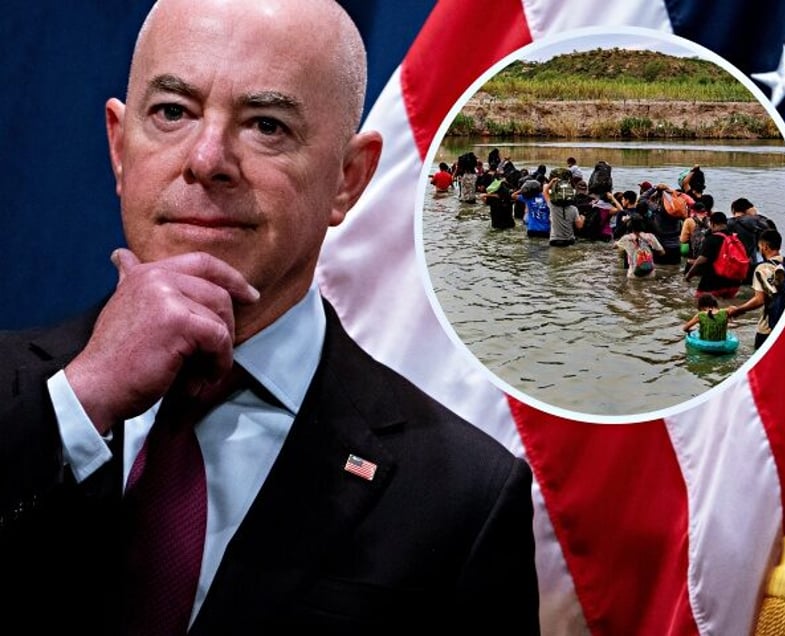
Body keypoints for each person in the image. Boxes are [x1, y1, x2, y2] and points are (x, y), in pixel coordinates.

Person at [0, 2, 540, 635]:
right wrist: (75, 406)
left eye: (266, 125)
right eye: (173, 112)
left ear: (348, 178)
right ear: (120, 146)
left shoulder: (461, 494)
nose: (207, 159)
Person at [727, 229, 785, 350]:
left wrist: (739, 309)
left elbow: (760, 300)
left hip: (768, 326)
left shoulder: (762, 268)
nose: (760, 250)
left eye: (760, 247)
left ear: (765, 247)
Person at [684, 212, 742, 299]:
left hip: (712, 283)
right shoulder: (734, 238)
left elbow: (701, 261)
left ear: (713, 224)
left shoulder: (712, 239)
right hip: (733, 284)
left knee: (700, 304)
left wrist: (688, 275)